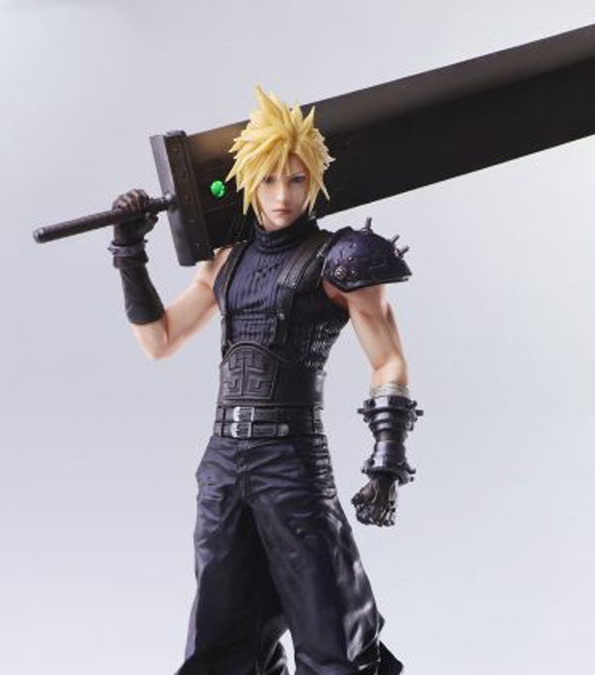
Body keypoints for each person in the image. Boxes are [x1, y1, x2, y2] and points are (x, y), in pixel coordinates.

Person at [108, 84, 423, 675]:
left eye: (297, 179)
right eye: (270, 179)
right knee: (218, 642)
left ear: (315, 181)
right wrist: (129, 255)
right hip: (224, 462)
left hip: (292, 461)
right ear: (248, 179)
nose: (282, 196)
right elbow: (160, 340)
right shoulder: (227, 259)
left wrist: (388, 460)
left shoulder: (340, 260)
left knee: (333, 636)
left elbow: (388, 359)